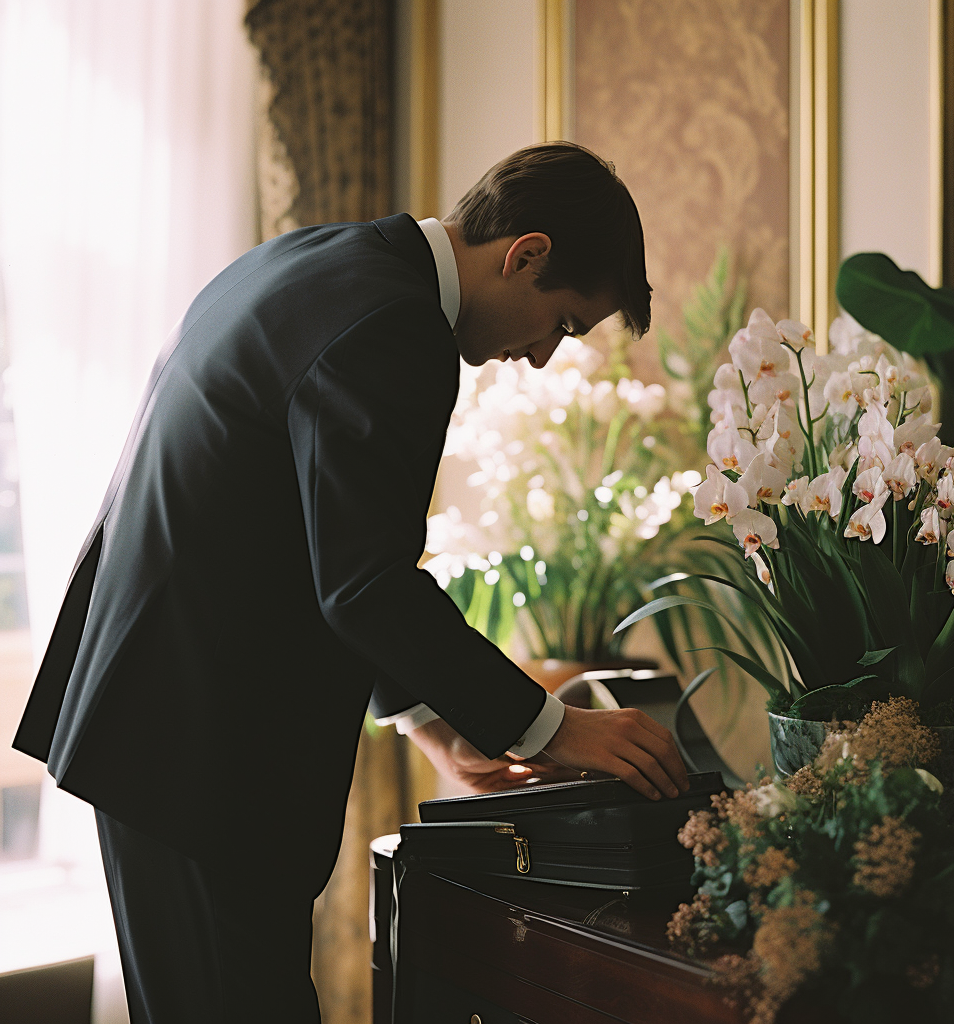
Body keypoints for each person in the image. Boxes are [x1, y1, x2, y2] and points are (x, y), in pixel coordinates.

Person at [13, 142, 688, 1022]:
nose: (539, 359)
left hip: (155, 726)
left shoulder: (313, 260)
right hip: (205, 753)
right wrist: (553, 726)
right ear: (525, 254)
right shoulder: (395, 327)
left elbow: (314, 542)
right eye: (561, 325)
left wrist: (431, 724)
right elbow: (365, 582)